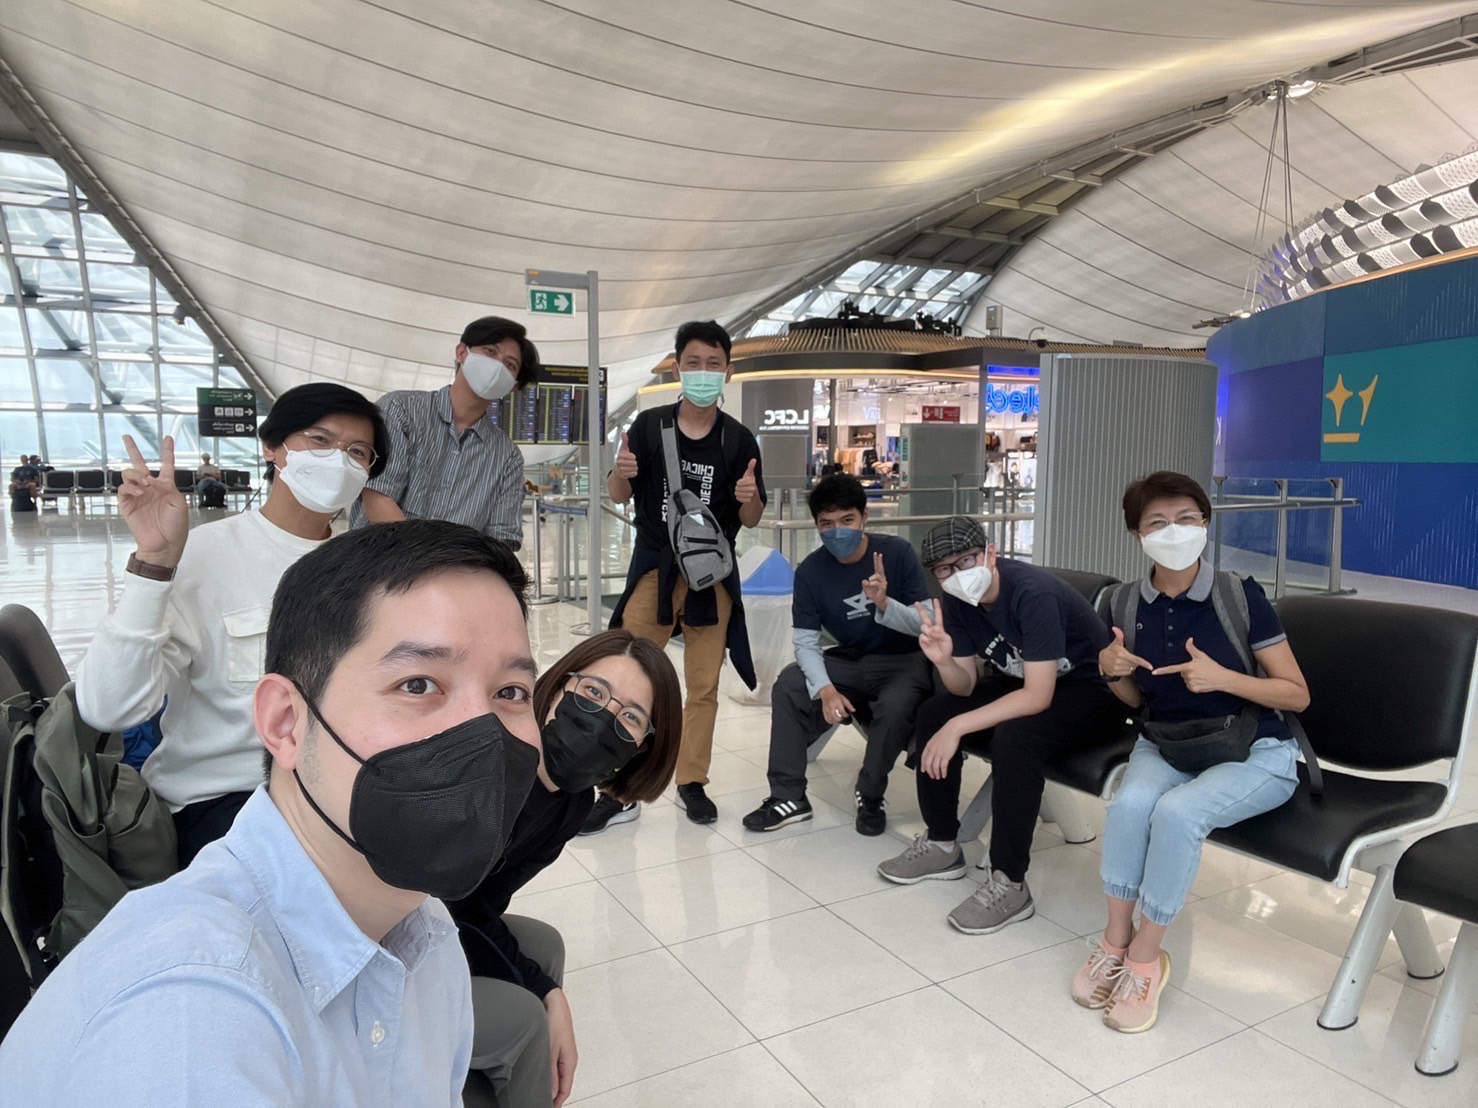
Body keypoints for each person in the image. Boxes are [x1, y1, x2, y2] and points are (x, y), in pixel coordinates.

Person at [0, 520, 544, 1105]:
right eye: (418, 684)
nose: (481, 732)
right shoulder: (192, 1013)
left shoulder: (425, 930)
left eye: (510, 693)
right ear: (285, 721)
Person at [75, 384, 389, 866]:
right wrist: (155, 562)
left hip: (341, 793)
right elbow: (108, 708)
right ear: (273, 448)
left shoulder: (369, 568)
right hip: (226, 802)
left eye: (356, 452)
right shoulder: (204, 554)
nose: (337, 461)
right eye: (319, 440)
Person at [1072, 471, 1309, 1033]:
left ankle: (1147, 958)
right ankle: (1114, 940)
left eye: (1186, 519)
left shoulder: (1238, 595)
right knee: (1129, 808)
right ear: (1136, 535)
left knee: (1178, 815)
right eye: (1157, 522)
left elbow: (1296, 693)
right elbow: (1135, 697)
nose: (1174, 531)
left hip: (1256, 749)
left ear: (1205, 524)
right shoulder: (1123, 603)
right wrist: (1111, 673)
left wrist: (1225, 678)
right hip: (1169, 743)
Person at [451, 629, 681, 1108]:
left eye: (631, 718)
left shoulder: (572, 804)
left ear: (640, 747)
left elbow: (480, 905)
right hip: (388, 927)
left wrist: (543, 985)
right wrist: (542, 993)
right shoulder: (488, 764)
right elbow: (437, 904)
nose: (601, 722)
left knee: (545, 947)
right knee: (527, 1019)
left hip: (446, 919)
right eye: (594, 693)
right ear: (556, 687)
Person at [876, 517, 1123, 935]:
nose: (957, 575)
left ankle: (1010, 882)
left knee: (1015, 739)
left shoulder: (1032, 594)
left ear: (990, 554)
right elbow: (966, 684)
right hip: (1028, 684)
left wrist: (957, 728)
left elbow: (1038, 698)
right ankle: (941, 844)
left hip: (1092, 694)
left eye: (966, 561)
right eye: (944, 570)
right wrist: (943, 661)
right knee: (936, 711)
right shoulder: (956, 599)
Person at [593, 320, 766, 831]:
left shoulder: (739, 440)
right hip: (655, 570)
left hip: (711, 578)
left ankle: (692, 780)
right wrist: (619, 474)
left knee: (703, 686)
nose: (703, 372)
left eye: (714, 364)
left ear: (728, 372)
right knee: (632, 678)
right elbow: (619, 496)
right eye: (694, 362)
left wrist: (750, 500)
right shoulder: (649, 427)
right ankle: (620, 785)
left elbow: (752, 519)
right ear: (678, 367)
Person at [741, 475, 933, 836]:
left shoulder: (897, 554)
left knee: (896, 706)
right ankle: (789, 795)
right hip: (849, 659)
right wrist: (825, 688)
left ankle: (871, 793)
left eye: (846, 520)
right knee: (790, 684)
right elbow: (805, 642)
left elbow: (928, 624)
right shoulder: (812, 571)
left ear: (864, 518)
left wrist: (885, 604)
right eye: (826, 524)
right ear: (817, 526)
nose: (837, 531)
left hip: (902, 660)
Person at [351, 315, 539, 550]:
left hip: (454, 578)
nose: (498, 365)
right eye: (490, 352)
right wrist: (424, 565)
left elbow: (501, 538)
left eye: (510, 364)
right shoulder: (400, 410)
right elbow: (378, 496)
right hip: (375, 564)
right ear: (462, 352)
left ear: (513, 385)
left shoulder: (507, 456)